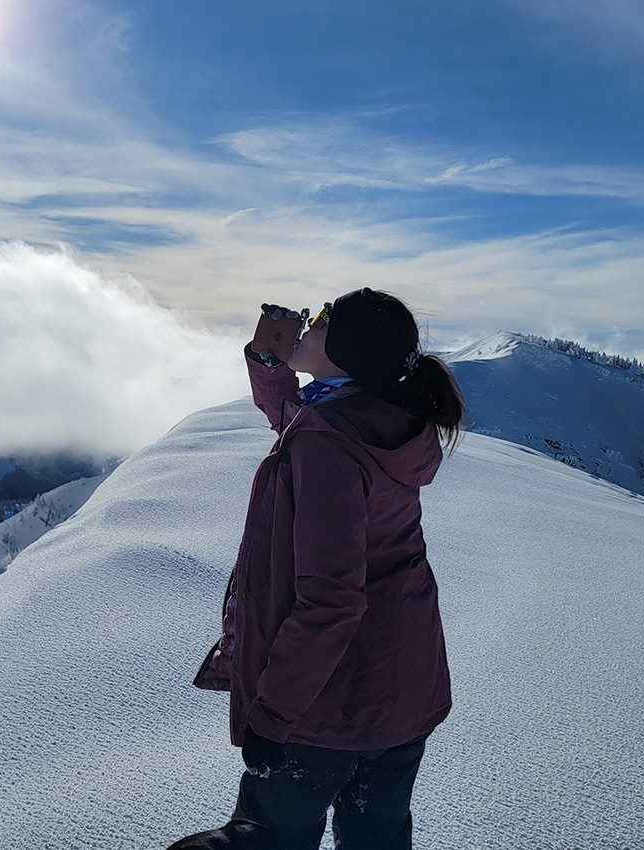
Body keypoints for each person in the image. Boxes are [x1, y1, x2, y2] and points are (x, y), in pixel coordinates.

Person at [168, 289, 466, 850]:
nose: (310, 319)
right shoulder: (377, 414)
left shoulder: (329, 442)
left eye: (325, 318)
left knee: (270, 838)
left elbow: (332, 601)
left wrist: (273, 714)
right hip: (401, 691)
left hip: (330, 704)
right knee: (375, 839)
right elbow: (301, 419)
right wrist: (269, 363)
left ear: (348, 351)